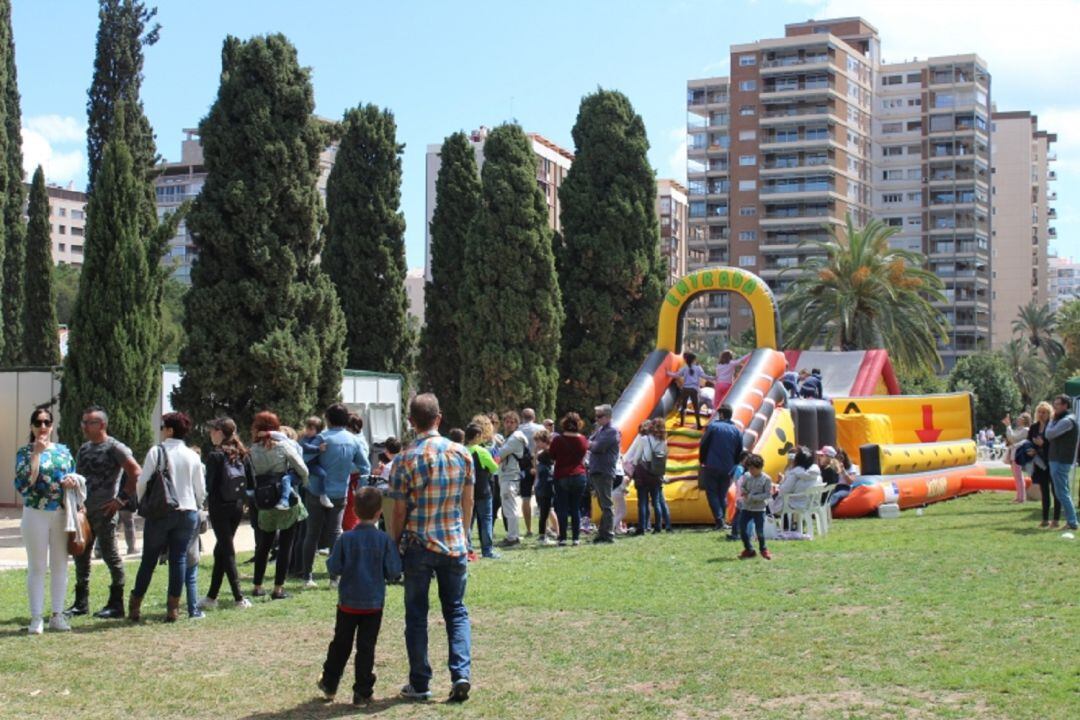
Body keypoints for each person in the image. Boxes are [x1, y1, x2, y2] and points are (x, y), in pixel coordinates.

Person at [389, 393, 474, 703]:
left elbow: (398, 511)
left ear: (411, 422)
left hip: (417, 544)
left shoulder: (404, 459)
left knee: (416, 615)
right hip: (453, 543)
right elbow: (468, 501)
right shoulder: (461, 453)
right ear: (439, 418)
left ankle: (420, 682)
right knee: (456, 611)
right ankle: (461, 674)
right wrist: (464, 536)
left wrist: (393, 544)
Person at [317, 487, 402, 706]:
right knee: (366, 647)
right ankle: (363, 691)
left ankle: (329, 683)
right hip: (373, 604)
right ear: (379, 513)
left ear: (354, 510)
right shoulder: (383, 540)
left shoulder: (346, 539)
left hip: (348, 603)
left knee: (340, 644)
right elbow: (393, 571)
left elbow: (334, 567)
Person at [128, 413, 206, 622]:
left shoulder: (157, 451)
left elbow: (142, 481)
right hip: (188, 511)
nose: (161, 430)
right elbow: (200, 489)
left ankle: (135, 605)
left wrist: (143, 501)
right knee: (178, 558)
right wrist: (197, 505)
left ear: (170, 430)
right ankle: (173, 609)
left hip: (162, 512)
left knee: (149, 559)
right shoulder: (192, 455)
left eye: (163, 426)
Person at [67, 405, 142, 620]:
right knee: (81, 554)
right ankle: (81, 603)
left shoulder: (115, 447)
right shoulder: (84, 449)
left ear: (102, 424)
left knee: (110, 555)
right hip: (84, 512)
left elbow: (135, 471)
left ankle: (116, 604)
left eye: (89, 423)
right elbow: (78, 477)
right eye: (83, 422)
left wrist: (120, 500)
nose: (84, 427)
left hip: (105, 512)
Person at [15, 407, 78, 634]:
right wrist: (37, 455)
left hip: (61, 513)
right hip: (35, 513)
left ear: (52, 425)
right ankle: (36, 618)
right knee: (37, 566)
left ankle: (58, 615)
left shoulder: (63, 451)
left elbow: (74, 474)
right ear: (31, 426)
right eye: (38, 422)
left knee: (60, 565)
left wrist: (73, 481)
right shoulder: (25, 452)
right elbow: (25, 484)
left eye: (47, 422)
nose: (43, 427)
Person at [303, 403, 371, 589]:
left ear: (328, 419)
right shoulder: (354, 440)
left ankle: (307, 577)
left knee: (312, 533)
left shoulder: (320, 438)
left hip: (316, 490)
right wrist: (360, 487)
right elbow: (365, 468)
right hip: (340, 491)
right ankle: (335, 577)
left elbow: (304, 459)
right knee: (336, 533)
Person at [249, 411, 309, 600]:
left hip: (264, 500)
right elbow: (303, 469)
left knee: (263, 545)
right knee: (286, 545)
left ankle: (257, 586)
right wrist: (301, 482)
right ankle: (278, 588)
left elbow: (250, 476)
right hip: (284, 500)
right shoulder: (283, 446)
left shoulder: (252, 450)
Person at [199, 418, 254, 611]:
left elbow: (210, 485)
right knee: (220, 550)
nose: (210, 434)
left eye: (212, 431)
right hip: (237, 506)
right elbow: (251, 482)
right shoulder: (242, 453)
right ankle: (212, 596)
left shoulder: (216, 455)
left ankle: (239, 597)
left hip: (219, 506)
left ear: (220, 432)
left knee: (227, 551)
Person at [698, 404, 743, 531]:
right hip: (728, 467)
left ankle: (719, 520)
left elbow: (704, 444)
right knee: (722, 494)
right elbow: (739, 451)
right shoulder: (737, 431)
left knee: (712, 492)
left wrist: (702, 460)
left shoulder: (713, 427)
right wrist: (734, 464)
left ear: (721, 414)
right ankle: (722, 520)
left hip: (712, 465)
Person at [550, 413, 589, 546]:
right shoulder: (583, 439)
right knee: (575, 508)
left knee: (562, 508)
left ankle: (562, 538)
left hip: (562, 475)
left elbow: (552, 456)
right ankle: (576, 538)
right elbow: (583, 455)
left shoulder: (558, 440)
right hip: (579, 475)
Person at [1044, 395, 1079, 531]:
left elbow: (1049, 434)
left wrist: (1051, 421)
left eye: (1057, 404)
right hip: (1057, 459)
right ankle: (1072, 521)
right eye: (1054, 403)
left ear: (1065, 405)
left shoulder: (1067, 421)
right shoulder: (1064, 419)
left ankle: (1072, 522)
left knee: (1061, 493)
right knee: (1063, 492)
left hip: (1060, 460)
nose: (1055, 407)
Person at [465, 423, 499, 559]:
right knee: (486, 520)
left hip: (467, 491)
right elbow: (494, 468)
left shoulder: (462, 450)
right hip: (483, 490)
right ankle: (487, 550)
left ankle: (467, 549)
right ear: (477, 436)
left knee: (468, 521)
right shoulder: (481, 451)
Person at [588, 404, 620, 543]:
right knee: (602, 503)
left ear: (608, 417)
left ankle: (608, 534)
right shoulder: (600, 430)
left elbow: (597, 447)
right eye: (596, 416)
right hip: (597, 470)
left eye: (599, 416)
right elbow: (590, 443)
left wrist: (588, 444)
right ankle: (603, 533)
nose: (597, 419)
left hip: (604, 471)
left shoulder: (612, 431)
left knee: (606, 504)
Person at [496, 411, 529, 547]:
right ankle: (512, 536)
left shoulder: (515, 438)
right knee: (508, 508)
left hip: (510, 476)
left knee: (510, 508)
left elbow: (499, 455)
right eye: (507, 422)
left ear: (517, 424)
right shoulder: (510, 437)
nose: (509, 424)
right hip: (508, 476)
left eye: (512, 422)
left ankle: (513, 538)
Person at [627, 419, 665, 534]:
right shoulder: (663, 441)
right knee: (656, 502)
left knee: (643, 502)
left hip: (643, 473)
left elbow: (636, 457)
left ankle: (641, 528)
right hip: (656, 474)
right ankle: (658, 527)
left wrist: (633, 466)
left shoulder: (644, 439)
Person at [1028, 402, 1060, 527]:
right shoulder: (1034, 427)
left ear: (1049, 413)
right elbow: (1029, 442)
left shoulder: (1053, 426)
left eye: (1044, 412)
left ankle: (1056, 520)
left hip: (1052, 461)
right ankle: (1045, 519)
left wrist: (1043, 444)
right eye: (1039, 412)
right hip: (1039, 463)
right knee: (1044, 490)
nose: (1041, 415)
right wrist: (1032, 449)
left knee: (1055, 490)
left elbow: (1055, 444)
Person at [738, 453, 773, 560]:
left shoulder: (766, 479)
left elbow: (767, 494)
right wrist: (744, 492)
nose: (751, 471)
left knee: (759, 531)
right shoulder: (747, 476)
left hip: (759, 509)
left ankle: (763, 549)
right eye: (749, 468)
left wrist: (752, 497)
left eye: (753, 468)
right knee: (742, 528)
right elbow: (742, 487)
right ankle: (749, 549)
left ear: (760, 467)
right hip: (746, 508)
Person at [770, 446, 821, 516]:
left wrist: (781, 482)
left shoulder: (794, 473)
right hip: (810, 504)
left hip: (794, 505)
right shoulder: (816, 473)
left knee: (768, 502)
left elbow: (783, 491)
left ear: (797, 460)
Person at [518, 408, 544, 536]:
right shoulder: (540, 428)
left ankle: (529, 529)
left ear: (522, 417)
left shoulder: (518, 429)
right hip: (540, 463)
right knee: (544, 498)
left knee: (526, 498)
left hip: (524, 466)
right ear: (534, 416)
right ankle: (545, 527)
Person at [297, 416, 333, 510]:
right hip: (306, 465)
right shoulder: (304, 438)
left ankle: (323, 495)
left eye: (311, 429)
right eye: (307, 428)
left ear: (318, 430)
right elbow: (304, 446)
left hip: (313, 465)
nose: (308, 431)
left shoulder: (319, 437)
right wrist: (318, 449)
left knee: (323, 474)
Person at [666, 353, 707, 429]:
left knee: (683, 406)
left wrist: (668, 373)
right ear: (694, 360)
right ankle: (698, 425)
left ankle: (682, 423)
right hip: (694, 389)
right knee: (696, 407)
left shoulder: (685, 368)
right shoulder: (698, 368)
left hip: (685, 389)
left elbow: (677, 375)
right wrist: (713, 378)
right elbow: (704, 376)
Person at [532, 429, 558, 544]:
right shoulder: (540, 453)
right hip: (542, 485)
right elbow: (536, 470)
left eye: (538, 442)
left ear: (545, 441)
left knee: (546, 511)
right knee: (544, 512)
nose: (536, 444)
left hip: (546, 485)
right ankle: (545, 535)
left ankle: (549, 534)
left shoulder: (547, 453)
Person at [1003, 412, 1031, 503]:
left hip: (1018, 455)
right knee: (1017, 476)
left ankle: (1021, 498)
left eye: (1020, 418)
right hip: (1014, 453)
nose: (1018, 420)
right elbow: (1011, 438)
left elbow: (1013, 438)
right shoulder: (1020, 429)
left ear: (1025, 420)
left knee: (1018, 477)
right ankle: (1019, 496)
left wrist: (1008, 426)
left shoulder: (1026, 430)